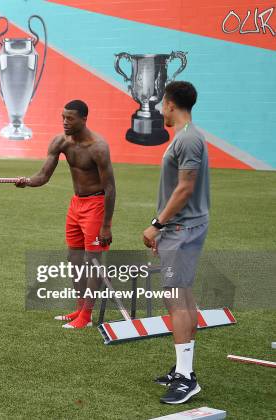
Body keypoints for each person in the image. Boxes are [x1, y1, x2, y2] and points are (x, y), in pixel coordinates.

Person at [16, 100, 116, 328]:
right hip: (76, 205)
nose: (65, 122)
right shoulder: (60, 142)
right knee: (74, 259)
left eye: (70, 118)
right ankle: (80, 308)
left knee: (93, 262)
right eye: (63, 117)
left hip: (96, 205)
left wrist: (106, 225)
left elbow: (110, 187)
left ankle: (87, 317)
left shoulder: (98, 147)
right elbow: (43, 176)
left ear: (83, 119)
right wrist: (27, 182)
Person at [142, 81, 209, 404]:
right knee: (179, 295)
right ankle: (183, 368)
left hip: (183, 229)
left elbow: (185, 189)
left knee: (177, 296)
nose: (158, 110)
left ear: (169, 104)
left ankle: (186, 378)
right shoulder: (185, 138)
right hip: (178, 230)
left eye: (161, 104)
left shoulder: (189, 139)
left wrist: (157, 225)